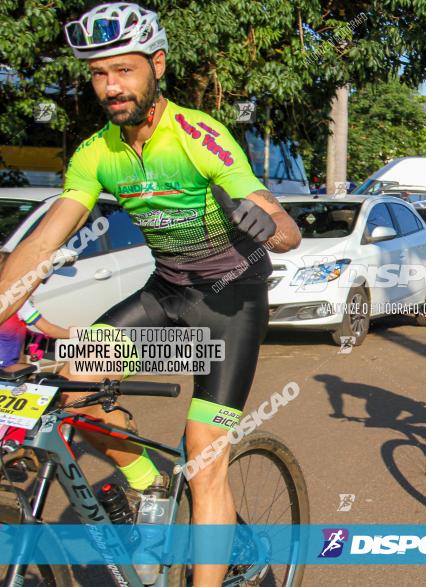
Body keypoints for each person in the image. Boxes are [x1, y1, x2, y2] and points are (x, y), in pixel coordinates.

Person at [0, 5, 300, 585]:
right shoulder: (95, 153)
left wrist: (273, 229)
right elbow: (42, 244)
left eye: (124, 71)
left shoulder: (197, 135)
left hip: (229, 303)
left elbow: (282, 225)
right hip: (164, 294)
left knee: (203, 454)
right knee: (67, 389)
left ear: (156, 65)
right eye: (98, 75)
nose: (111, 87)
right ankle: (144, 479)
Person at [0, 252, 71, 369]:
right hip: (6, 369)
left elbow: (9, 329)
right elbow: (50, 330)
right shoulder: (17, 299)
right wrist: (83, 333)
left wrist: (35, 339)